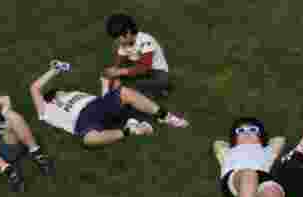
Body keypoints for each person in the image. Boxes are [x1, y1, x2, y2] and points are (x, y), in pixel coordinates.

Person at [29, 60, 188, 149]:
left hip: (97, 106)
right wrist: (55, 70)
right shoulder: (46, 110)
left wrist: (105, 85)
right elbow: (34, 88)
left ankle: (166, 117)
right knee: (88, 140)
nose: (53, 92)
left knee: (124, 92)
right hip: (82, 123)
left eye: (55, 91)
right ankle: (130, 130)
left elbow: (103, 100)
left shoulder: (72, 93)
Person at [101, 13, 171, 99]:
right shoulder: (125, 43)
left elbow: (144, 67)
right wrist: (114, 70)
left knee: (133, 88)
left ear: (128, 33)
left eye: (118, 39)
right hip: (142, 72)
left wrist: (120, 72)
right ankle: (152, 91)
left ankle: (158, 91)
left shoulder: (145, 41)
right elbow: (120, 58)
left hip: (158, 73)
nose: (117, 42)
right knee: (121, 79)